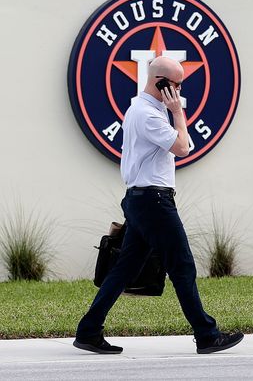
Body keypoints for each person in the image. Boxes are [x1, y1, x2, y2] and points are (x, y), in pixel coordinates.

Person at [74, 56, 243, 354]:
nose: (179, 90)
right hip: (153, 201)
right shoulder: (148, 114)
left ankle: (88, 331)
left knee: (125, 269)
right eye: (177, 84)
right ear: (160, 83)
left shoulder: (144, 110)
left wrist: (172, 110)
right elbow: (182, 147)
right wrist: (178, 112)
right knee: (182, 266)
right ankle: (207, 334)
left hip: (143, 199)